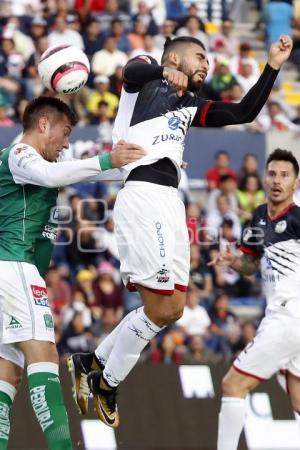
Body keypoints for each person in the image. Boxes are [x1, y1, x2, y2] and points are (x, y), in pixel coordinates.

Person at [68, 35, 293, 428]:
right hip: (143, 195)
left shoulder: (190, 105)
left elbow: (243, 111)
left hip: (169, 202)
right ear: (174, 57)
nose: (207, 63)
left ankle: (94, 361)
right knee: (159, 308)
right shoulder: (147, 81)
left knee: (171, 309)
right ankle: (107, 379)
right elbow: (131, 70)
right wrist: (163, 70)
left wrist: (272, 65)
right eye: (200, 56)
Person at [0, 95, 145, 449]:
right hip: (14, 266)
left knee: (7, 374)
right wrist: (109, 158)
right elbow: (55, 173)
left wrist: (153, 163)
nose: (67, 143)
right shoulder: (20, 155)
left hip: (14, 270)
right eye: (64, 133)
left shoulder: (36, 160)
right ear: (43, 125)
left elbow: (82, 167)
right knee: (45, 357)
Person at [209, 148, 300, 450]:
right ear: (264, 177)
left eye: (285, 175)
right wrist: (231, 259)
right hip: (285, 319)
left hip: (289, 318)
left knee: (232, 385)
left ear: (295, 183)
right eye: (272, 173)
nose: (277, 180)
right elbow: (249, 265)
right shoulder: (259, 217)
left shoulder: (298, 219)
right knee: (298, 397)